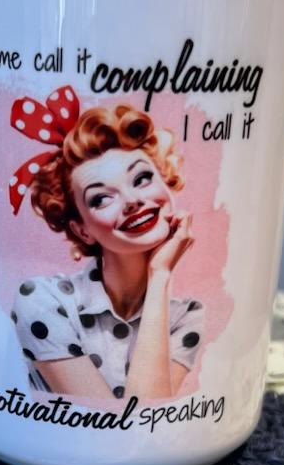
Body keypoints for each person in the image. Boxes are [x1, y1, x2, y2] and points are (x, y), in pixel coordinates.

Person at [11, 99, 204, 402]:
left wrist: (160, 276)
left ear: (165, 182)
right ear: (82, 230)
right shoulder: (42, 301)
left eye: (141, 179)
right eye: (101, 198)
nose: (131, 201)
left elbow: (152, 419)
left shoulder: (187, 315)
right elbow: (122, 425)